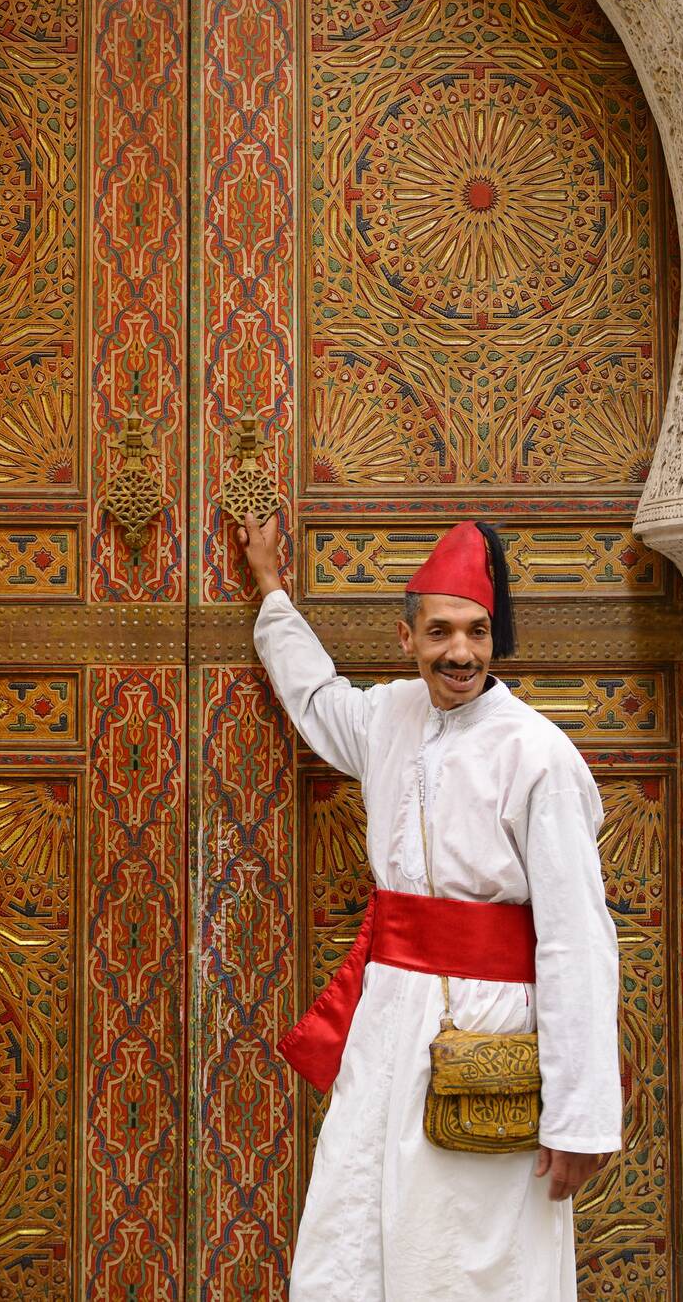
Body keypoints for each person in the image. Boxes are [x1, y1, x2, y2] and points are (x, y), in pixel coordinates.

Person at [237, 510, 621, 1302]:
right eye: (442, 632)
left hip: (487, 1037)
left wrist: (580, 1119)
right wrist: (272, 590)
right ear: (407, 636)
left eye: (477, 633)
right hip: (386, 1027)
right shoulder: (389, 718)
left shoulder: (538, 755)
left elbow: (578, 940)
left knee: (470, 1260)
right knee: (356, 1234)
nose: (461, 653)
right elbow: (314, 698)